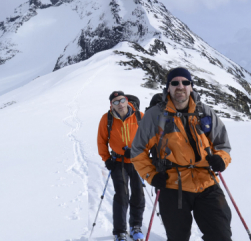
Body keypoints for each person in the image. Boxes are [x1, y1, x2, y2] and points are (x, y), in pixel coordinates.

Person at [131, 68, 233, 241]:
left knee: (221, 235)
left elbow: (222, 144)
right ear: (168, 88)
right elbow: (137, 150)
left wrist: (221, 159)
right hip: (172, 185)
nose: (181, 86)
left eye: (185, 82)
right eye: (175, 83)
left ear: (191, 87)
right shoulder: (155, 115)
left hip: (206, 183)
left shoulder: (204, 112)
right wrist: (151, 175)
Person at [98, 91, 146, 241]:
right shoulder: (107, 119)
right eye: (116, 102)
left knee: (138, 194)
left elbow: (149, 138)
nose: (120, 104)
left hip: (138, 161)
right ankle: (120, 231)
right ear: (111, 105)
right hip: (118, 162)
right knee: (122, 195)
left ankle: (136, 226)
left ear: (127, 101)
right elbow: (101, 141)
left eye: (122, 100)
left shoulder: (139, 116)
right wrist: (106, 159)